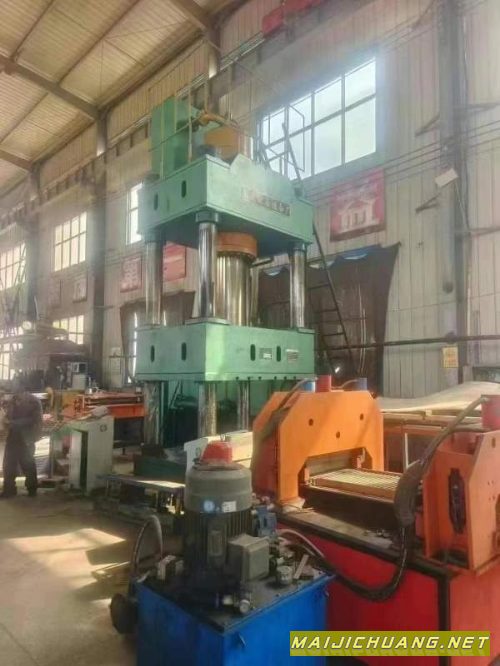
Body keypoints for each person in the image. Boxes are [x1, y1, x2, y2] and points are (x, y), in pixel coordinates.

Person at [1, 377, 42, 498]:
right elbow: (9, 416)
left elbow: (34, 419)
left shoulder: (33, 401)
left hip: (26, 437)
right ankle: (9, 490)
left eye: (14, 383)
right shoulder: (12, 400)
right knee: (8, 464)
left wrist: (13, 423)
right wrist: (5, 420)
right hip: (13, 436)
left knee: (28, 464)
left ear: (22, 386)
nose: (11, 386)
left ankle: (32, 489)